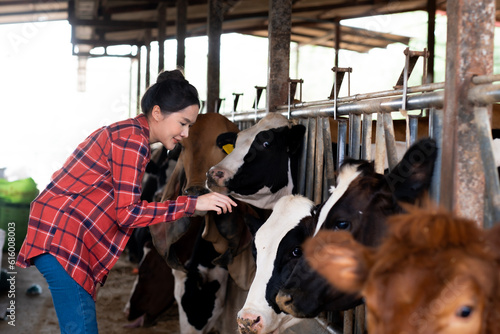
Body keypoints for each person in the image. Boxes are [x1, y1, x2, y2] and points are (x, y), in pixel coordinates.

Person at [16, 69, 237, 333]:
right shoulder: (133, 141)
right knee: (82, 328)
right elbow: (128, 214)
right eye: (183, 123)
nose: (186, 133)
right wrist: (192, 204)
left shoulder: (131, 135)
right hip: (61, 237)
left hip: (68, 237)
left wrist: (94, 274)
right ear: (157, 113)